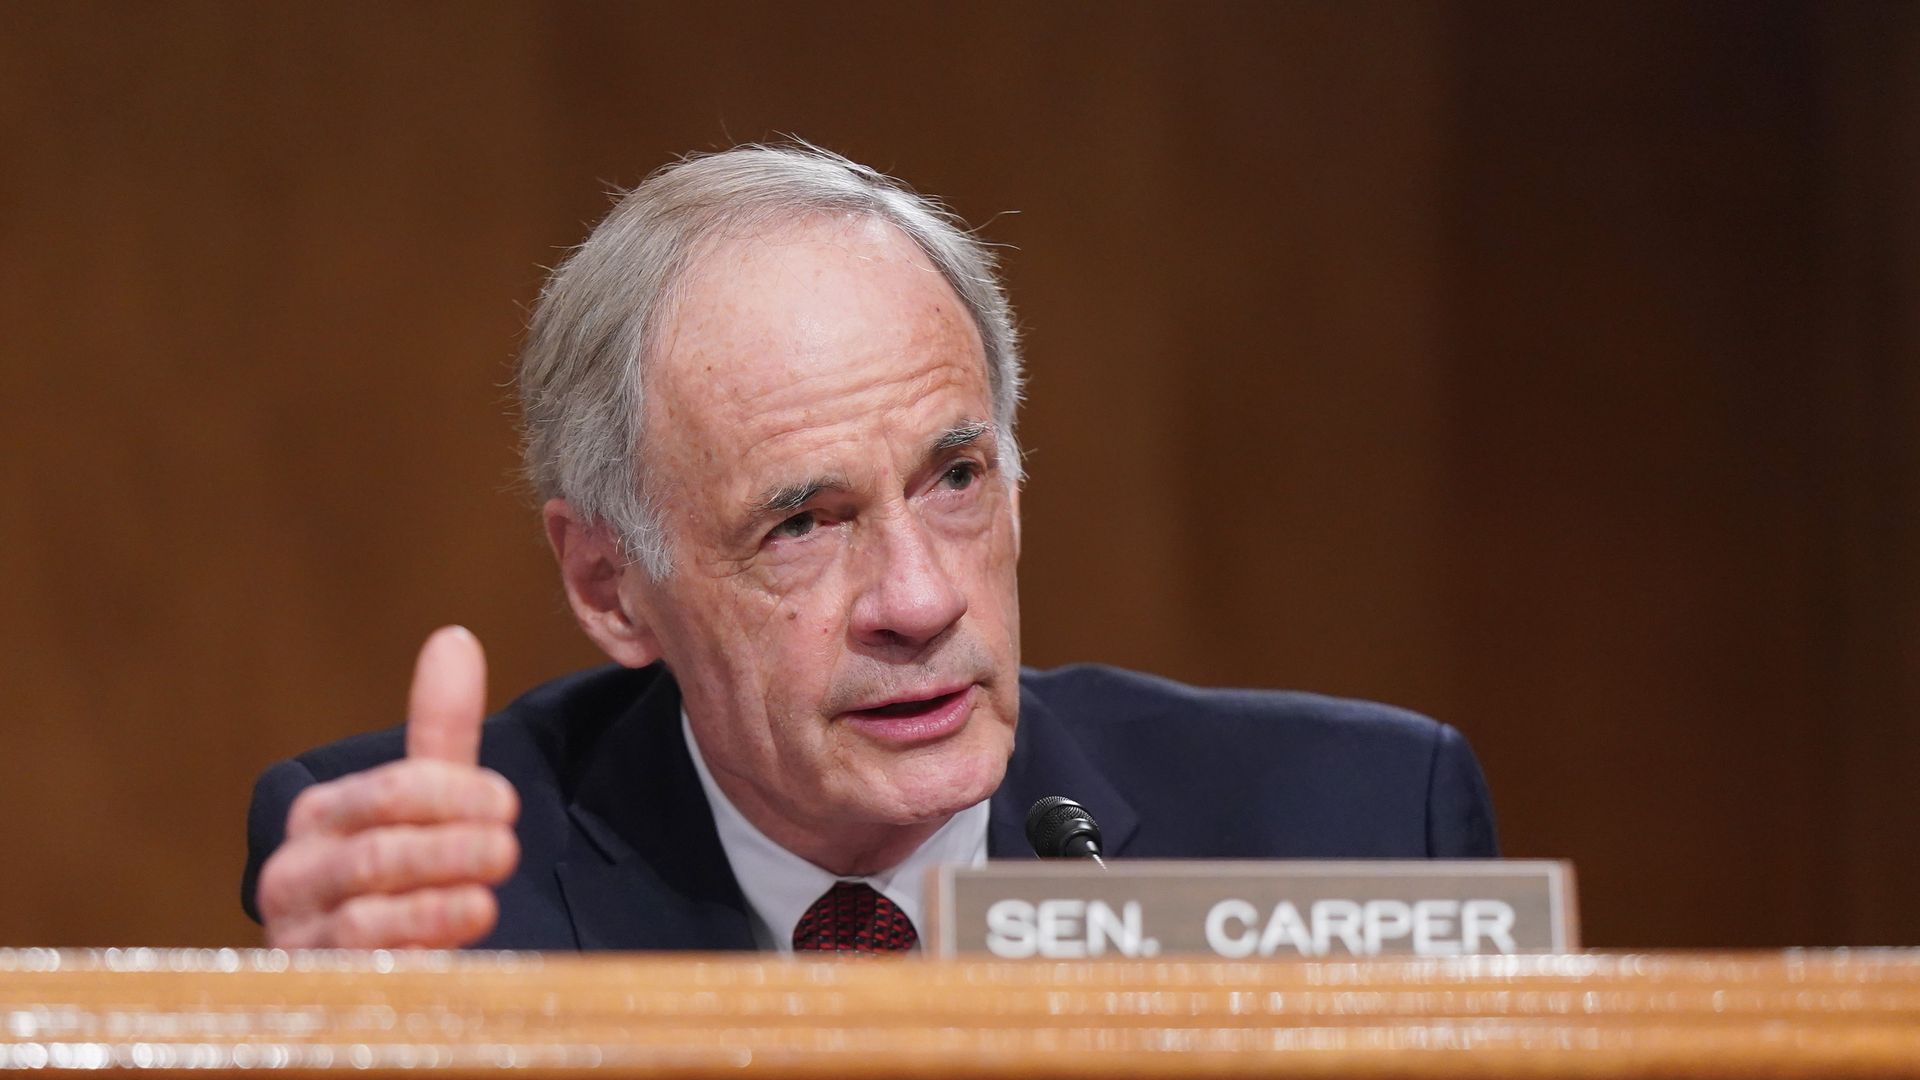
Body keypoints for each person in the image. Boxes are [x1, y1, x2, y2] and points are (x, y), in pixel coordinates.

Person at [242, 144, 1497, 952]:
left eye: (955, 479)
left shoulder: (1362, 833)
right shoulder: (434, 906)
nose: (919, 597)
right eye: (802, 522)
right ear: (607, 583)